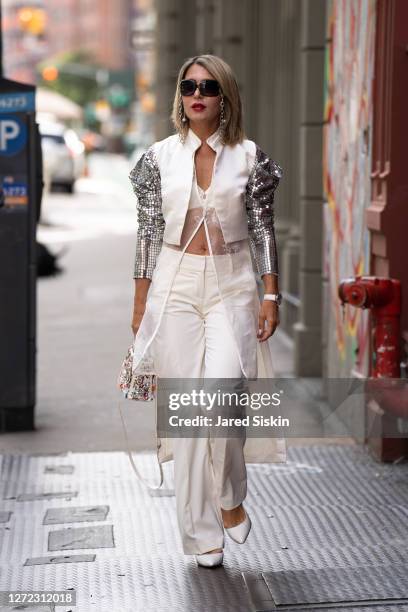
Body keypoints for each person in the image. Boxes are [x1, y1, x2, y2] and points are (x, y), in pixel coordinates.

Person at [129, 54, 285, 567]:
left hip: (233, 286)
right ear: (180, 94)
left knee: (221, 398)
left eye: (209, 86)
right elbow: (148, 234)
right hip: (174, 286)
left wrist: (270, 293)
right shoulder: (158, 158)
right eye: (189, 85)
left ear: (225, 96)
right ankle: (202, 536)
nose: (197, 93)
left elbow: (263, 229)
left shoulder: (250, 157)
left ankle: (230, 496)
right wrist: (140, 304)